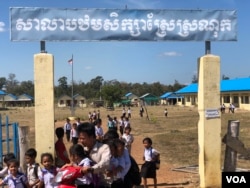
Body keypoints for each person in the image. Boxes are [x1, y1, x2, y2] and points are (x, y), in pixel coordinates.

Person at [77, 122, 111, 187]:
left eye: (83, 138)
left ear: (92, 137)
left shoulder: (104, 148)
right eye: (79, 138)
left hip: (102, 184)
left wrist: (90, 169)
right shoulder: (82, 149)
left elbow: (105, 163)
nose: (81, 141)